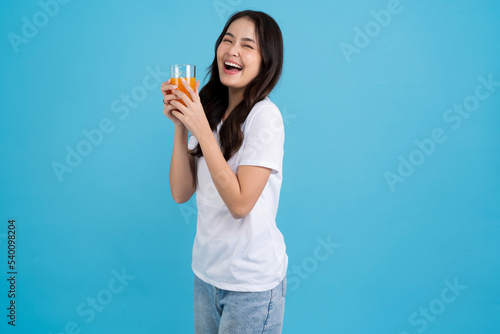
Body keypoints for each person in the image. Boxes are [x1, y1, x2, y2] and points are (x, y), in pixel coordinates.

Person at [161, 10, 287, 333]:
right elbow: (180, 192)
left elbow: (240, 204)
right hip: (206, 275)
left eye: (248, 45)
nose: (232, 50)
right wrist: (180, 125)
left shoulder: (265, 118)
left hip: (250, 287)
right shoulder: (212, 109)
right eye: (227, 40)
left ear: (266, 61)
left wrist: (201, 129)